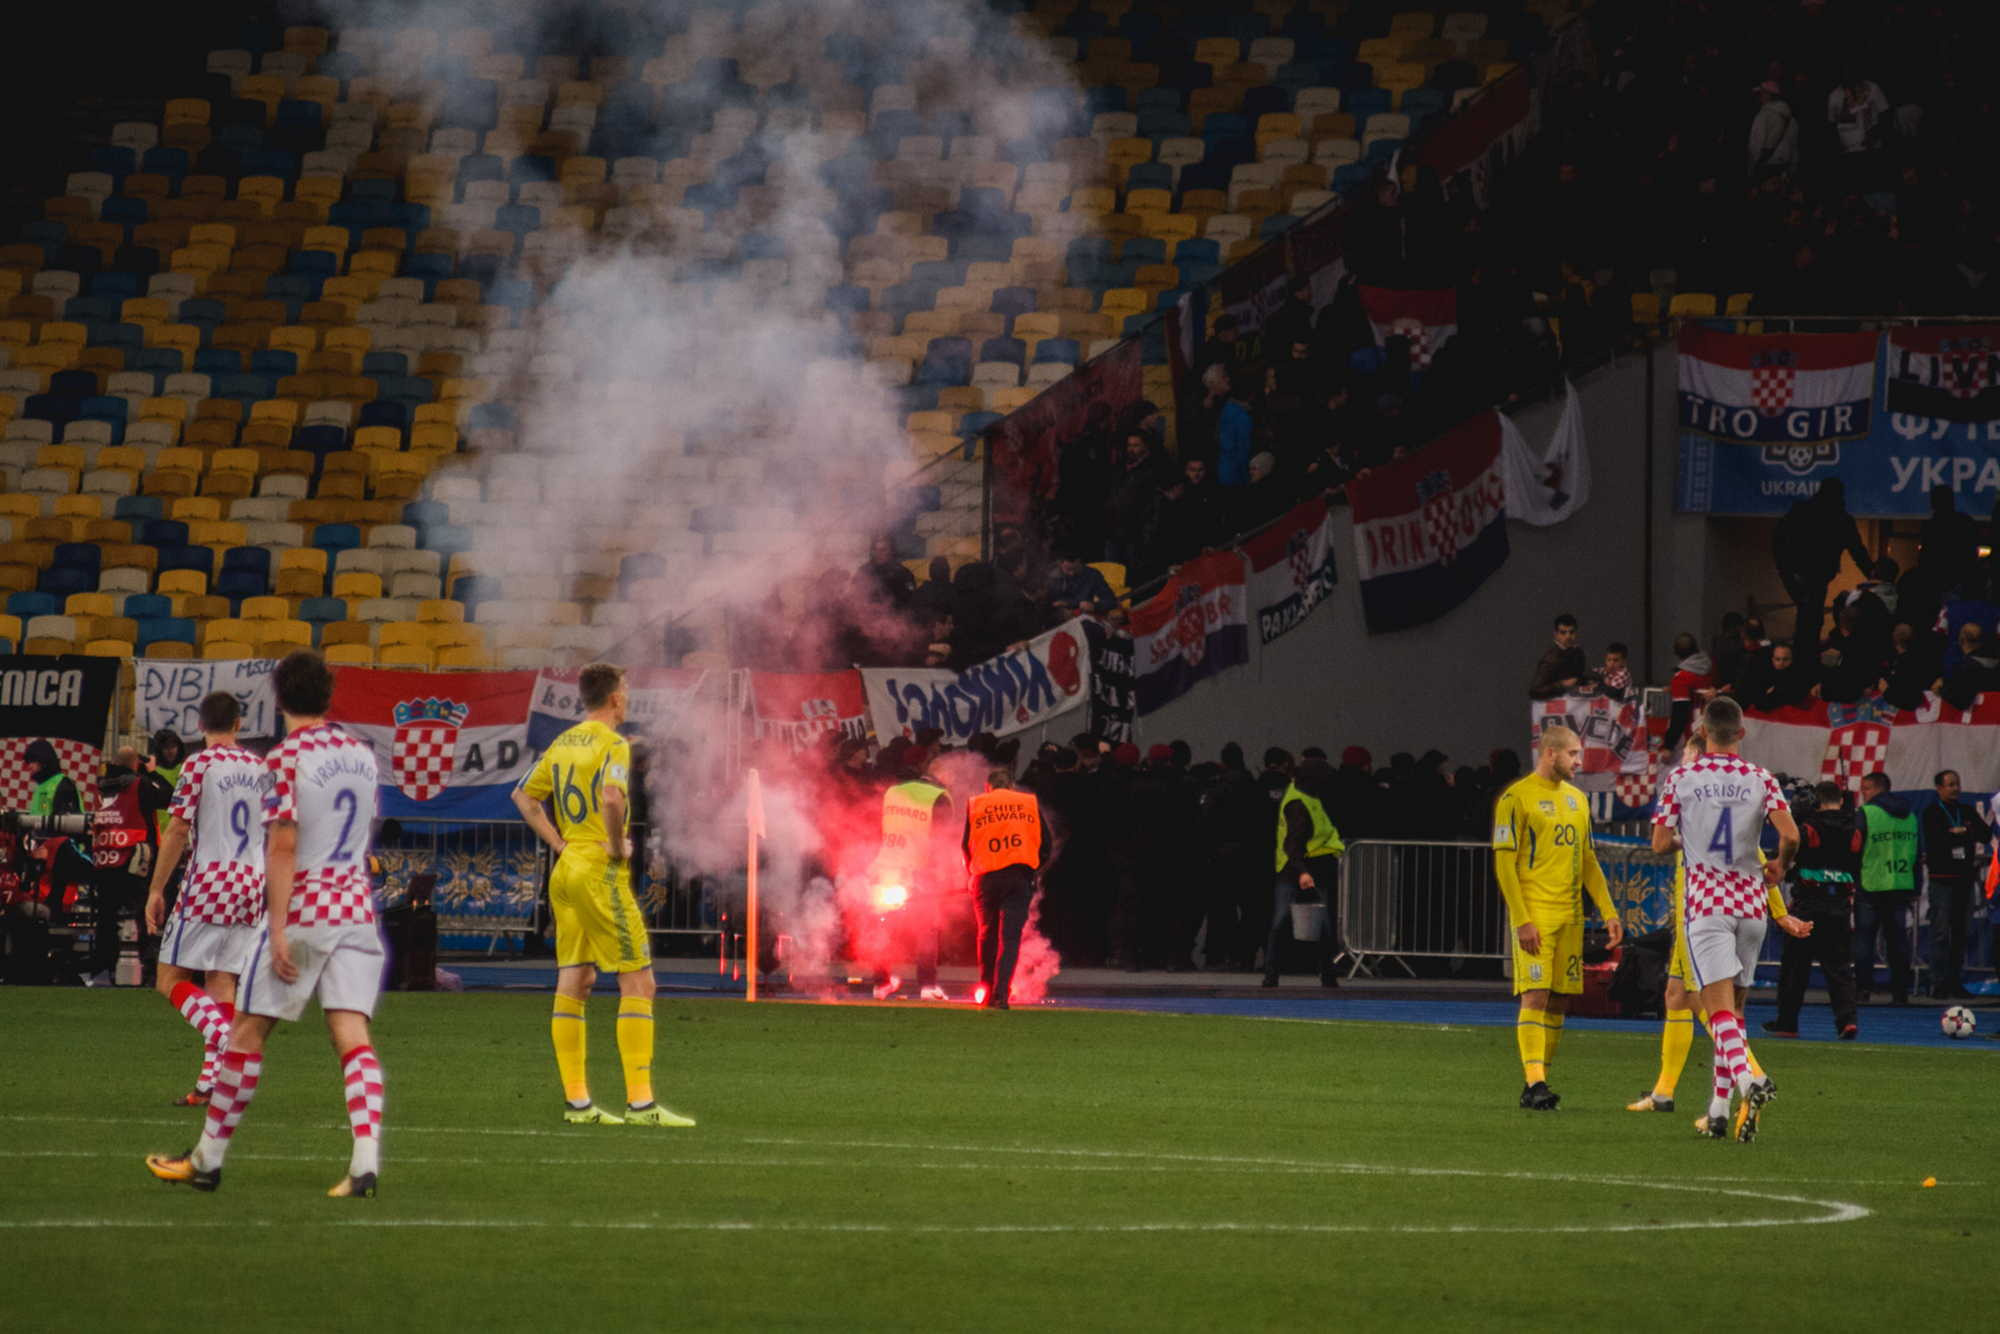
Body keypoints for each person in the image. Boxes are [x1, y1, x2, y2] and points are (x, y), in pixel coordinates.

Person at [146, 650, 388, 1197]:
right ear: (329, 696)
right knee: (352, 1035)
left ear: (278, 700)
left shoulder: (285, 757)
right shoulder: (361, 755)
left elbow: (283, 845)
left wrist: (277, 928)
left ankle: (206, 1160)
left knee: (247, 1033)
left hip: (305, 909)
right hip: (356, 909)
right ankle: (365, 1161)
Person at [513, 662, 694, 1127]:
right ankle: (641, 1105)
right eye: (627, 689)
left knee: (575, 981)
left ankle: (578, 1104)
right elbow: (612, 798)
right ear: (615, 697)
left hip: (567, 867)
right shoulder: (613, 743)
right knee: (639, 982)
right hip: (598, 872)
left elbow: (523, 797)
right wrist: (615, 846)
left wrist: (560, 844)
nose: (629, 696)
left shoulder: (563, 741)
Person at [1650, 697, 1800, 1142]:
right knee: (1735, 1011)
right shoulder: (1760, 778)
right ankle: (1717, 1112)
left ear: (1702, 730)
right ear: (1741, 733)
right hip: (1752, 906)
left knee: (1716, 1012)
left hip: (1708, 907)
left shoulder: (1683, 777)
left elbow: (1659, 843)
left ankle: (1750, 1081)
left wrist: (1688, 839)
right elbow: (1789, 834)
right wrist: (1780, 865)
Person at [1627, 738, 1785, 1114]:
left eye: (1687, 753)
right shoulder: (1746, 787)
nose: (1684, 759)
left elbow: (1661, 842)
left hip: (1701, 914)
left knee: (1709, 1002)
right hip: (1730, 910)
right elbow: (1760, 853)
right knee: (1678, 996)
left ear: (1700, 752)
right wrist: (1779, 912)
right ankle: (1688, 1100)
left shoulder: (1691, 788)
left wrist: (1781, 912)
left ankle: (1752, 1075)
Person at [143, 693, 269, 1106]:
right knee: (221, 980)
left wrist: (157, 888)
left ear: (200, 726)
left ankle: (230, 1045)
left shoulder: (198, 764)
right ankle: (211, 1084)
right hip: (251, 881)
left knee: (170, 979)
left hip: (210, 880)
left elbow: (179, 828)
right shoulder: (258, 767)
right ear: (238, 723)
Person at [1491, 725, 1624, 1111]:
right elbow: (1504, 864)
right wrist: (1521, 919)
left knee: (1560, 1000)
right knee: (1535, 995)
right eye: (1573, 755)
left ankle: (1539, 1081)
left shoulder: (1577, 801)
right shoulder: (1516, 799)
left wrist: (1609, 910)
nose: (1579, 762)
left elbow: (1587, 861)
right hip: (1536, 915)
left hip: (1571, 916)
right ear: (1550, 753)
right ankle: (1535, 1082)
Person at [1765, 782, 1862, 1040]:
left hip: (1808, 904)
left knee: (1795, 967)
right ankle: (1847, 1021)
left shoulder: (1808, 827)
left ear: (1816, 801)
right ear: (1841, 801)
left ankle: (1787, 1023)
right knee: (1840, 968)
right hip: (1840, 905)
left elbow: (1791, 849)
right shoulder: (1854, 829)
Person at [867, 755, 956, 1000]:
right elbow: (942, 840)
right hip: (920, 871)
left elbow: (877, 826)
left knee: (885, 928)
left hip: (886, 866)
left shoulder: (892, 793)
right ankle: (927, 985)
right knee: (926, 930)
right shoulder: (938, 798)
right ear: (942, 778)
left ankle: (880, 983)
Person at [963, 767, 1051, 1009]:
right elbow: (1046, 844)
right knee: (1010, 938)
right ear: (1011, 785)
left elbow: (966, 845)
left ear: (987, 787)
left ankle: (987, 989)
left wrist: (971, 873)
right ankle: (1002, 993)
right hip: (1018, 876)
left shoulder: (977, 804)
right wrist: (1034, 870)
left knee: (986, 935)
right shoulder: (1027, 803)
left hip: (986, 878)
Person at [85, 745, 167, 987]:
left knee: (106, 917)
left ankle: (102, 971)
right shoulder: (139, 784)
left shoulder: (100, 786)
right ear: (135, 763)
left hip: (105, 858)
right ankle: (148, 969)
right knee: (143, 913)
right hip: (134, 859)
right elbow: (170, 798)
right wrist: (152, 773)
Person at [1265, 755, 1345, 988]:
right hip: (1301, 868)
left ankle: (1273, 975)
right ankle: (1325, 975)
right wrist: (1302, 872)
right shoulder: (1300, 803)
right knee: (1312, 923)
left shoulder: (1304, 796)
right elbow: (1293, 843)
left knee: (1283, 922)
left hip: (1301, 866)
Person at [1772, 479, 1869, 650]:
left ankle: (1804, 657)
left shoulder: (1802, 511)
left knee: (1808, 620)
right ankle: (1806, 658)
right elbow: (1858, 551)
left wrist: (1787, 575)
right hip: (1812, 576)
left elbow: (1778, 543)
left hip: (1801, 575)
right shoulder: (1839, 518)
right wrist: (1875, 575)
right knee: (1810, 621)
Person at [1920, 769, 1991, 1000]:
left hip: (1964, 881)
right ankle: (1937, 982)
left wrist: (1961, 831)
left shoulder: (1966, 811)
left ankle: (1955, 981)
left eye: (1957, 784)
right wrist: (1962, 834)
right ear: (1939, 788)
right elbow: (1936, 840)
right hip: (1942, 881)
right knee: (1940, 932)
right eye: (1950, 784)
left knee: (1961, 933)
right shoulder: (1932, 812)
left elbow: (1985, 834)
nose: (1955, 788)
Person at [1853, 770, 1919, 1004]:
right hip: (1900, 883)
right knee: (1898, 943)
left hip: (1870, 884)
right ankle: (1900, 992)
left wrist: (1852, 879)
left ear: (1876, 788)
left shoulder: (1867, 813)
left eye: (1865, 789)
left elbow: (1855, 848)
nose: (1863, 794)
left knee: (1864, 941)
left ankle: (1863, 990)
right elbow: (1917, 853)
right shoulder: (1910, 814)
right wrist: (1916, 886)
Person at [1527, 613, 1588, 699]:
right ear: (1556, 634)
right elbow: (1534, 691)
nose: (1568, 636)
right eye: (1563, 632)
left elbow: (1578, 678)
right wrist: (1561, 684)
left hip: (1576, 703)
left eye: (1571, 632)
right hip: (1555, 706)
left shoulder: (1578, 652)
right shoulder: (1551, 658)